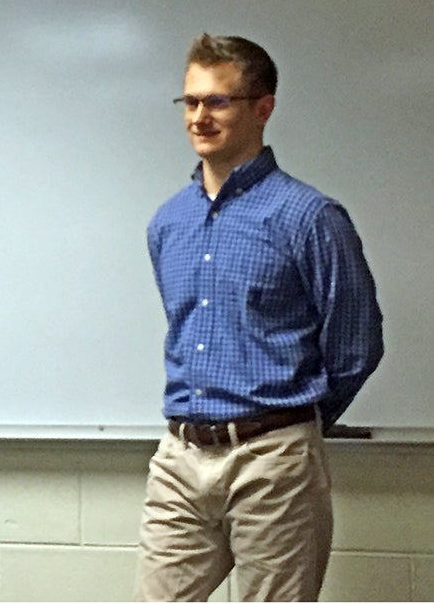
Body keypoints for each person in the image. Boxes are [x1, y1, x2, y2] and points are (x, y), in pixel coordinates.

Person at [138, 34, 383, 601]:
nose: (199, 117)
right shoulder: (167, 223)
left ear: (262, 108)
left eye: (217, 101)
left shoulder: (309, 217)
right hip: (180, 456)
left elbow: (355, 346)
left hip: (273, 459)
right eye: (190, 102)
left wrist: (291, 422)